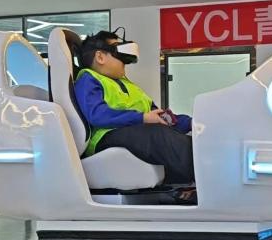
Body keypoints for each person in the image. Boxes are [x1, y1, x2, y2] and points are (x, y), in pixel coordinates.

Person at [74, 30, 195, 185]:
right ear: (100, 57)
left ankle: (196, 179)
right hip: (106, 137)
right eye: (118, 50)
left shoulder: (128, 84)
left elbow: (158, 116)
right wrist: (142, 118)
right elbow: (97, 114)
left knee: (176, 134)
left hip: (133, 131)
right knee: (158, 135)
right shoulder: (89, 79)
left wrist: (192, 123)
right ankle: (209, 174)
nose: (125, 60)